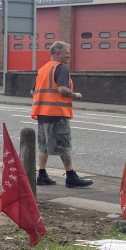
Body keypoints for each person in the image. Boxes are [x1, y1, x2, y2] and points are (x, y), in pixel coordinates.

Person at [31, 41, 93, 188]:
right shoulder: (60, 68)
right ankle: (71, 176)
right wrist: (76, 95)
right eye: (67, 53)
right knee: (64, 145)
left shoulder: (43, 69)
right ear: (58, 53)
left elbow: (32, 92)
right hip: (57, 114)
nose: (69, 56)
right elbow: (63, 90)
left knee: (43, 146)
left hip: (42, 114)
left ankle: (42, 175)